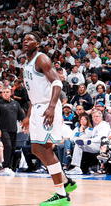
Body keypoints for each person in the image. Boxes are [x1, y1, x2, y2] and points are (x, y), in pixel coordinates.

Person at [21, 32, 77, 206]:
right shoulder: (27, 63)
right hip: (37, 107)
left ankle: (61, 195)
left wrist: (52, 107)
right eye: (24, 39)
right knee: (36, 149)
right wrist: (29, 116)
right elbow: (33, 94)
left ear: (37, 43)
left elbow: (58, 82)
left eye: (29, 39)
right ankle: (66, 182)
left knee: (45, 149)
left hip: (47, 106)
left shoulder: (41, 59)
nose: (25, 41)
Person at [0, 87, 25, 173]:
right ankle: (5, 166)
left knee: (13, 148)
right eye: (4, 92)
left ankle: (11, 167)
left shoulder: (16, 103)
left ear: (10, 93)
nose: (5, 93)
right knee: (8, 146)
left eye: (7, 92)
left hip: (14, 129)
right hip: (3, 129)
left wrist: (25, 124)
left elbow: (21, 116)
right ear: (2, 94)